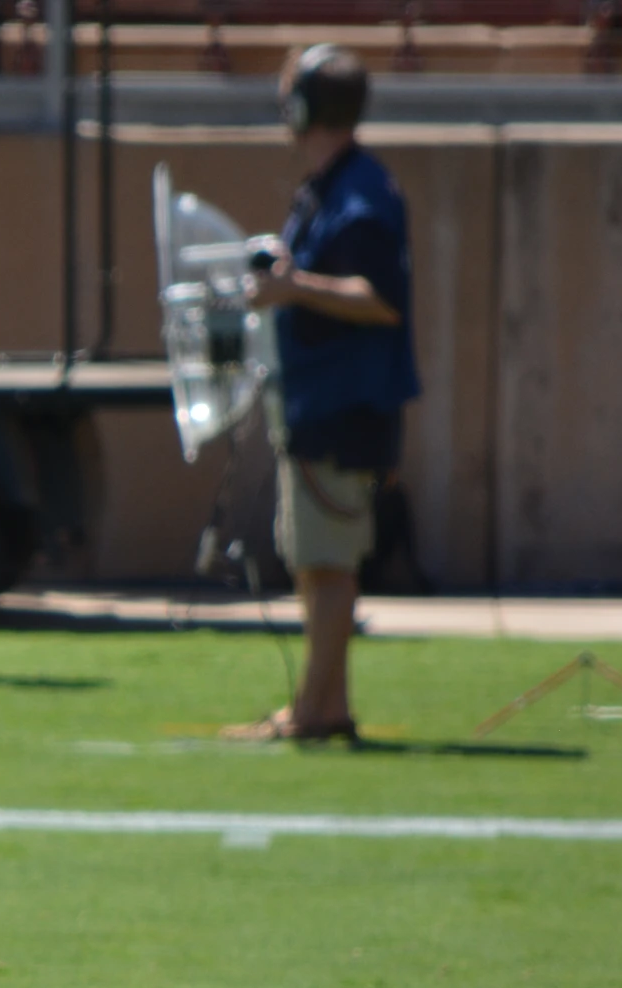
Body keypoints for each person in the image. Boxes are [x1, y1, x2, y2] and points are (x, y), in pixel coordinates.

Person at [224, 44, 418, 744]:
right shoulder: (334, 185)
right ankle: (322, 704)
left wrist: (291, 286)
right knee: (315, 561)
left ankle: (314, 711)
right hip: (321, 401)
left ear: (306, 106)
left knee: (329, 564)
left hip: (345, 403)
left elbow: (378, 299)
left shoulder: (359, 194)